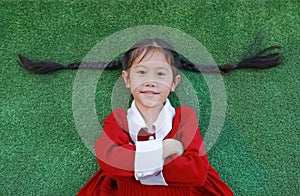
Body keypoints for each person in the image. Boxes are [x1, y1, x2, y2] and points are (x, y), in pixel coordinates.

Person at [18, 38, 281, 195]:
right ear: (126, 79)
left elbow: (197, 173)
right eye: (141, 72)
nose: (151, 81)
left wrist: (133, 164)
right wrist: (168, 149)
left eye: (161, 74)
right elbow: (110, 164)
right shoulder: (118, 119)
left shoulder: (184, 117)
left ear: (175, 83)